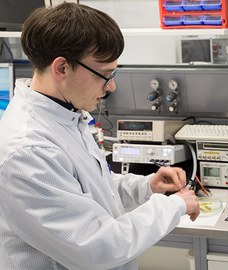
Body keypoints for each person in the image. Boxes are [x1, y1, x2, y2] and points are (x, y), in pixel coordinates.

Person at [0, 3, 200, 270]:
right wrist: (174, 206)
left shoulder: (65, 114)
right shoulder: (28, 150)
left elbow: (91, 187)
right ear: (61, 68)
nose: (112, 86)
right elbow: (99, 248)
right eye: (104, 75)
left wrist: (147, 186)